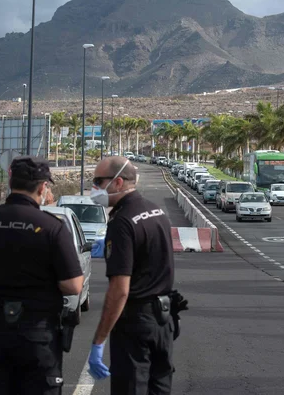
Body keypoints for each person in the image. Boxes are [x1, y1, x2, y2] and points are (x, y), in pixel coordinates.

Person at [0, 156, 84, 395]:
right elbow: (73, 286)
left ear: (11, 181)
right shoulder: (52, 227)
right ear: (42, 187)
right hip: (36, 335)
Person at [87, 156, 176, 395]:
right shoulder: (156, 211)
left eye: (98, 181)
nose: (94, 187)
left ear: (117, 183)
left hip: (136, 324)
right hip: (163, 321)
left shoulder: (122, 221)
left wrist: (98, 340)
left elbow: (120, 289)